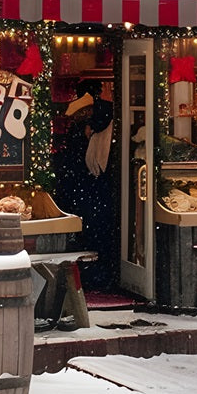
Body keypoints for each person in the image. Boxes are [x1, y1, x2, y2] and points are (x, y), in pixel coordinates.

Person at [55, 79, 118, 289]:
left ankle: (91, 275)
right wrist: (106, 103)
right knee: (96, 229)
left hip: (80, 186)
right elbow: (101, 120)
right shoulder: (93, 116)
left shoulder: (79, 117)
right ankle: (96, 276)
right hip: (90, 186)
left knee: (90, 231)